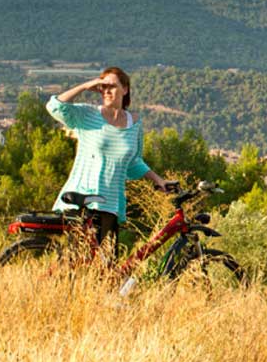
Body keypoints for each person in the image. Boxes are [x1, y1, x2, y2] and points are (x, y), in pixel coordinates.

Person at [46, 66, 173, 248]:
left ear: (125, 89)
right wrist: (85, 86)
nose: (106, 91)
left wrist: (158, 179)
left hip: (111, 203)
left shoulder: (134, 123)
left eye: (111, 86)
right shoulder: (88, 114)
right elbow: (55, 106)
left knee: (107, 268)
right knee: (77, 263)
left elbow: (134, 162)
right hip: (83, 200)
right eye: (103, 87)